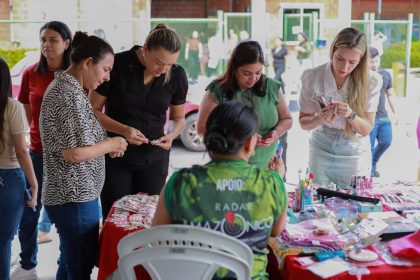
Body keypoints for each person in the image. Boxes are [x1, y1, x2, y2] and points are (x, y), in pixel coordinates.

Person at [153, 101, 288, 279]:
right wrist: (278, 177)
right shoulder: (271, 183)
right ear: (250, 142)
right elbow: (276, 231)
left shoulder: (181, 182)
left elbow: (158, 237)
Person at [39, 32, 127, 279]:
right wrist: (110, 144)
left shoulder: (72, 90)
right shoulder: (67, 94)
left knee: (69, 264)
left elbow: (79, 142)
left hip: (76, 196)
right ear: (88, 62)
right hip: (72, 197)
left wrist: (107, 145)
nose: (107, 76)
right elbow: (73, 154)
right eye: (106, 69)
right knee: (79, 268)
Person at [89, 24, 188, 219]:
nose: (164, 69)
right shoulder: (116, 65)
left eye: (170, 64)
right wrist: (124, 129)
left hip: (155, 159)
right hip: (116, 156)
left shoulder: (177, 74)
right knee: (116, 217)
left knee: (148, 219)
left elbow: (178, 118)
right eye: (159, 62)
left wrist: (172, 134)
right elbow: (92, 111)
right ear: (145, 49)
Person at [12, 20, 72, 279]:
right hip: (36, 153)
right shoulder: (30, 73)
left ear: (67, 43)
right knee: (28, 212)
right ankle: (28, 264)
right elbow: (27, 112)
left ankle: (65, 264)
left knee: (66, 216)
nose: (47, 45)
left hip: (69, 158)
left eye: (53, 40)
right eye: (43, 40)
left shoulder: (75, 75)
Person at [299, 27, 382, 187]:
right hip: (320, 148)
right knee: (316, 204)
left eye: (352, 62)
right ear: (333, 51)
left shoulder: (372, 81)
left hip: (355, 151)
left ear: (361, 60)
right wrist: (319, 118)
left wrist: (351, 115)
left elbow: (366, 130)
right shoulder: (312, 76)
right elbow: (303, 123)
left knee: (355, 204)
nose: (344, 67)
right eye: (339, 59)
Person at [197, 40, 292, 170]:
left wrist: (275, 132)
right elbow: (201, 128)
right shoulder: (218, 90)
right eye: (247, 73)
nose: (253, 79)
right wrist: (241, 136)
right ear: (234, 69)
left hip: (269, 165)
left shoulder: (271, 86)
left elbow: (287, 119)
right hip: (231, 168)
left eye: (258, 73)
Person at [0, 58, 38, 280]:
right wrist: (33, 184)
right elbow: (22, 151)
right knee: (3, 241)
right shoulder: (11, 106)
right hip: (9, 179)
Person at [369, 47, 397, 177]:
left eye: (376, 61)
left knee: (387, 141)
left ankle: (373, 164)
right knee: (368, 146)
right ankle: (368, 170)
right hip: (369, 117)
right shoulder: (362, 76)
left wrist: (395, 112)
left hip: (383, 116)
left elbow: (390, 94)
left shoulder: (385, 74)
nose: (374, 64)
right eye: (371, 62)